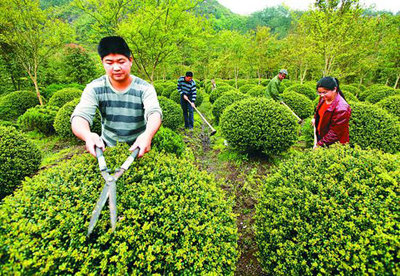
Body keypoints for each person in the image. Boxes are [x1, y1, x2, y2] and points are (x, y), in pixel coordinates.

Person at [71, 36, 162, 158]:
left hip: (140, 148)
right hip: (108, 150)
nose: (116, 68)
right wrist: (88, 135)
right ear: (102, 63)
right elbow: (80, 116)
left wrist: (148, 135)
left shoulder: (145, 88)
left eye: (121, 61)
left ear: (130, 60)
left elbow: (154, 113)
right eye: (109, 63)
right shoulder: (94, 88)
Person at [311, 76, 351, 149]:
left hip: (333, 144)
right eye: (319, 92)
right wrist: (315, 118)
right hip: (322, 135)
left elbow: (335, 133)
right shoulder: (324, 98)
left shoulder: (342, 108)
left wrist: (319, 144)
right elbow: (319, 110)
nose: (321, 95)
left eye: (324, 92)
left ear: (334, 89)